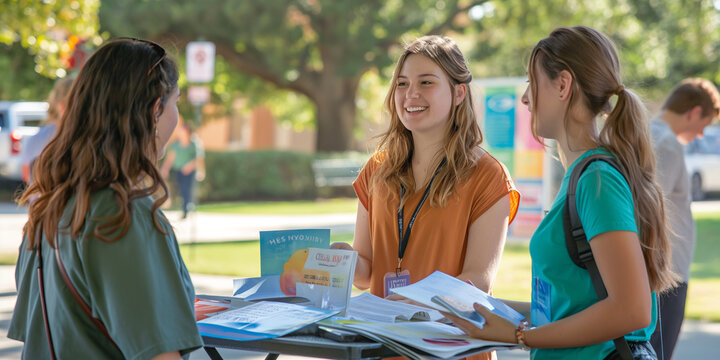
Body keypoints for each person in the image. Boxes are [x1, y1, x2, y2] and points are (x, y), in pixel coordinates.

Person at [447, 26, 678, 359]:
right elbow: (569, 307)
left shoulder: (597, 180)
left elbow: (632, 310)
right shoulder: (582, 175)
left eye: (532, 82)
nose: (525, 98)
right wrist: (484, 307)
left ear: (563, 85)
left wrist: (519, 336)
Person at [8, 38, 203, 359]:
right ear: (156, 109)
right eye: (175, 103)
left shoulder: (50, 205)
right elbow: (159, 354)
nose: (176, 115)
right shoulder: (123, 213)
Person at [333, 35, 519, 359]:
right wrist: (339, 260)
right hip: (383, 348)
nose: (411, 94)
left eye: (426, 82)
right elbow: (366, 273)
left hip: (452, 351)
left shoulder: (488, 176)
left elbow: (477, 282)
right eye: (402, 83)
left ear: (459, 92)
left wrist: (418, 300)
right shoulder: (377, 169)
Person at [649, 78, 720, 358]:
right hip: (668, 275)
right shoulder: (666, 144)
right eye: (704, 124)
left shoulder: (650, 135)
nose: (702, 134)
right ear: (693, 112)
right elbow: (649, 213)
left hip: (662, 274)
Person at [19, 75, 74, 184]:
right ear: (62, 106)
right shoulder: (86, 138)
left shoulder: (37, 138)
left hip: (40, 199)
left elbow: (26, 175)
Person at [160, 121, 205, 219]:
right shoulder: (175, 144)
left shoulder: (194, 144)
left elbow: (199, 158)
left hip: (189, 172)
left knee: (187, 189)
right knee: (180, 189)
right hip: (178, 170)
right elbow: (170, 158)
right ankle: (186, 206)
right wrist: (165, 169)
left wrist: (193, 167)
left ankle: (186, 208)